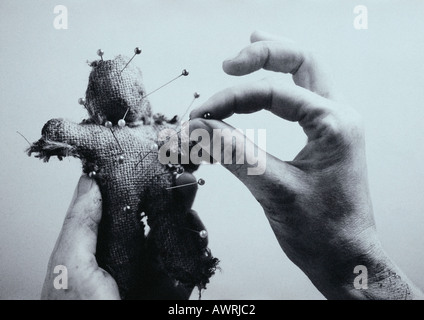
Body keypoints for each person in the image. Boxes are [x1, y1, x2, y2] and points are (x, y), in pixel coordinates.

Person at [41, 31, 424, 300]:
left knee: (163, 224)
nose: (133, 95)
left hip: (153, 202)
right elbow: (71, 132)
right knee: (156, 228)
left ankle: (185, 264)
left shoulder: (151, 134)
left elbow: (66, 131)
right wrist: (355, 265)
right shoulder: (132, 136)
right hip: (144, 206)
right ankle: (187, 264)